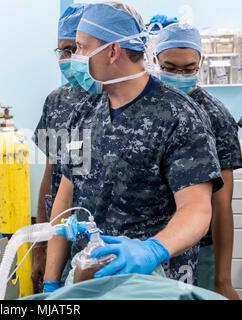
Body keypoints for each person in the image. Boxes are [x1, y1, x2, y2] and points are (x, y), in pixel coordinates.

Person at [43, 2, 223, 293]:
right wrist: (51, 281)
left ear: (112, 51)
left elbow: (197, 210)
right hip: (87, 281)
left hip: (154, 283)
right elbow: (65, 199)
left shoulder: (177, 115)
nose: (75, 58)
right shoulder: (85, 111)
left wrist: (153, 249)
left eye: (81, 47)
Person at [156, 23, 242, 299]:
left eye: (189, 69)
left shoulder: (215, 115)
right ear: (155, 60)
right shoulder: (147, 106)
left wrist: (223, 279)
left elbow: (222, 202)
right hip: (148, 243)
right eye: (170, 68)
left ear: (201, 62)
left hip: (197, 248)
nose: (180, 75)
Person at [31, 3, 98, 293]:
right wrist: (39, 247)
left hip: (98, 243)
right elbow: (50, 178)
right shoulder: (57, 103)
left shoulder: (115, 101)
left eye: (77, 48)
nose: (71, 58)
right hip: (58, 233)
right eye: (64, 51)